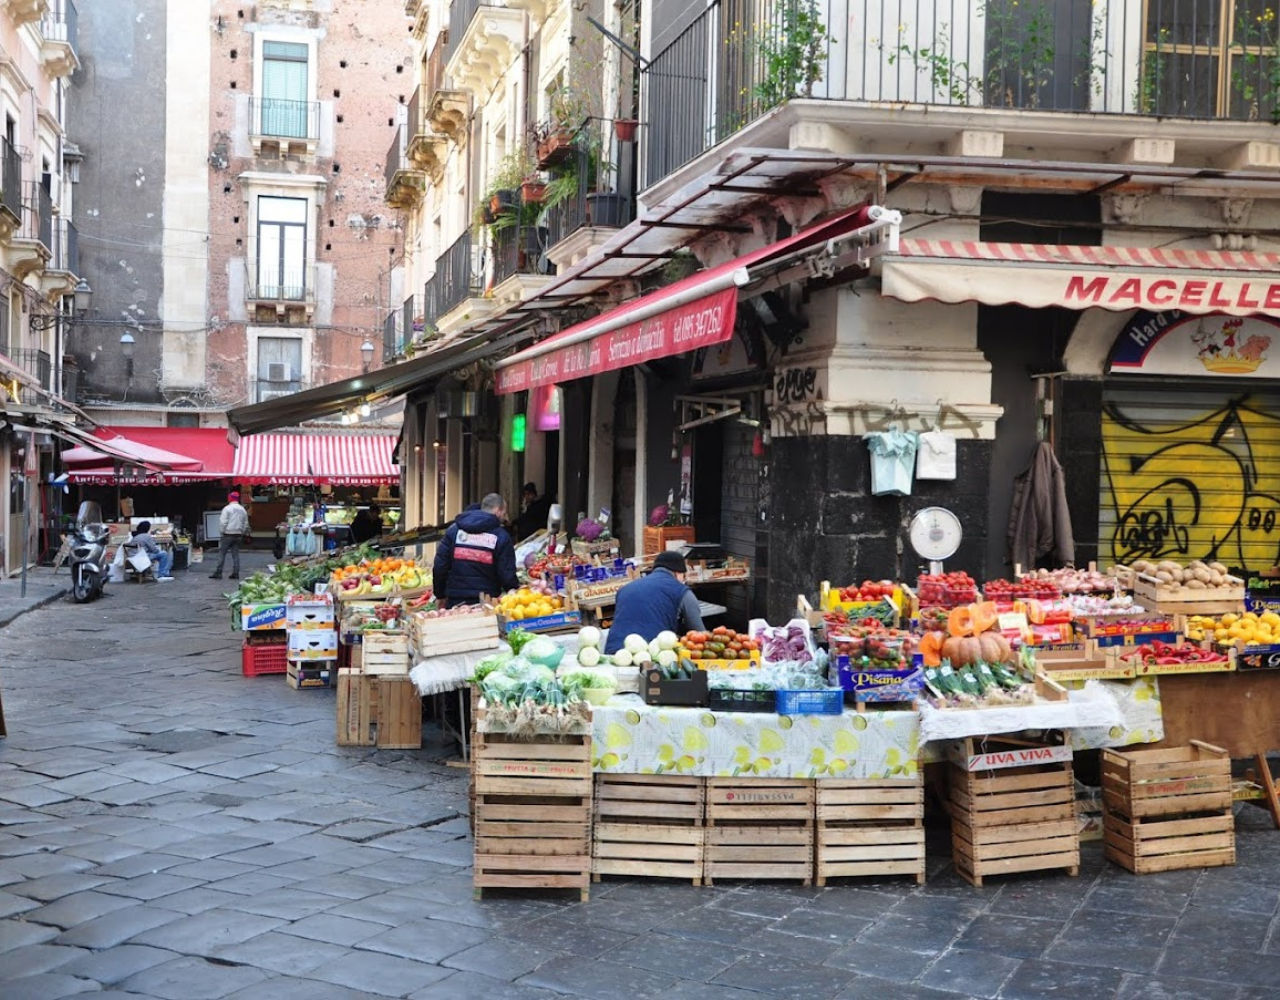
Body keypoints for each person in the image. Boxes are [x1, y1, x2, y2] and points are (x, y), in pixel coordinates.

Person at [603, 551, 705, 655]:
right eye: (684, 576)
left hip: (614, 653)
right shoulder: (682, 591)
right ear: (678, 573)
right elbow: (700, 635)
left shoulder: (625, 589)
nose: (684, 580)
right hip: (651, 657)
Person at [433, 493, 519, 607]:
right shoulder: (501, 536)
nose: (505, 517)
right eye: (504, 513)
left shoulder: (454, 531)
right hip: (487, 601)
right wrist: (513, 589)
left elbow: (440, 566)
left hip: (455, 600)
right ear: (498, 511)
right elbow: (506, 572)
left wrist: (440, 594)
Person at [209, 490, 250, 580]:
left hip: (227, 534)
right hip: (238, 534)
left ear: (230, 498)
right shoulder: (242, 509)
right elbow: (246, 523)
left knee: (222, 553)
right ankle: (236, 573)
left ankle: (218, 572)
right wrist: (242, 532)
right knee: (235, 554)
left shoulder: (227, 509)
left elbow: (223, 522)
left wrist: (222, 532)